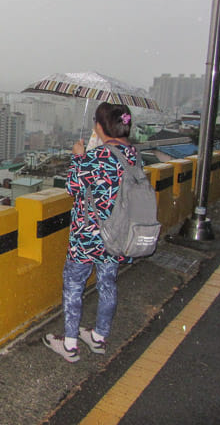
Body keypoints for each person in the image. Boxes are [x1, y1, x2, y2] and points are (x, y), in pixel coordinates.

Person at [43, 101, 137, 362]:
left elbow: (72, 187)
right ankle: (99, 337)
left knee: (74, 285)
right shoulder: (133, 155)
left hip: (88, 235)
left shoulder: (97, 157)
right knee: (108, 284)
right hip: (118, 233)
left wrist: (78, 155)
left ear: (99, 126)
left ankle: (70, 344)